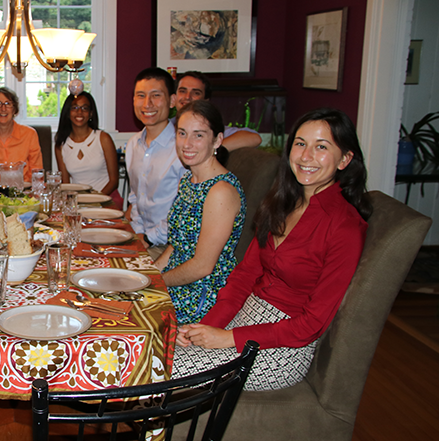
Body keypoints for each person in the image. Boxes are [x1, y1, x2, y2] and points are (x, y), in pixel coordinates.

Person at [172, 107, 372, 391]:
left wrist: (229, 338)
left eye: (322, 147)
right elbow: (244, 277)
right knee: (158, 353)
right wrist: (205, 327)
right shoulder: (282, 203)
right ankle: (156, 431)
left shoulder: (345, 227)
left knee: (164, 371)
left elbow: (311, 324)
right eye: (300, 144)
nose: (306, 156)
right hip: (245, 315)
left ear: (345, 159)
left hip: (283, 346)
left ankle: (156, 432)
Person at [153, 101, 246, 324]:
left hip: (200, 297)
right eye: (182, 133)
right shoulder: (188, 180)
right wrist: (148, 273)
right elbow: (176, 245)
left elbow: (203, 266)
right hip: (177, 284)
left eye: (199, 135)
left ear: (218, 140)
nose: (187, 143)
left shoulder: (220, 191)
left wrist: (155, 282)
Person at [125, 67, 185, 258]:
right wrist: (138, 232)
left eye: (156, 95)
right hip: (143, 238)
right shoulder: (134, 144)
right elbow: (136, 196)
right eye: (140, 96)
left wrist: (149, 238)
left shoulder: (183, 148)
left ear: (172, 100)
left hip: (171, 246)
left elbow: (184, 211)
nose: (147, 104)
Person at [54, 91, 122, 206]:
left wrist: (95, 200)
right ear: (68, 113)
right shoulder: (61, 145)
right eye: (75, 107)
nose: (79, 112)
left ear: (91, 114)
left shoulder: (103, 138)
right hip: (78, 203)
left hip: (106, 199)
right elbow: (66, 185)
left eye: (84, 108)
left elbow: (114, 181)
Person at [174, 71, 262, 150]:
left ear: (205, 101)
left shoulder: (210, 129)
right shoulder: (166, 127)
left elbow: (254, 138)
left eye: (196, 93)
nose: (187, 97)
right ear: (173, 97)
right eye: (182, 91)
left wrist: (212, 149)